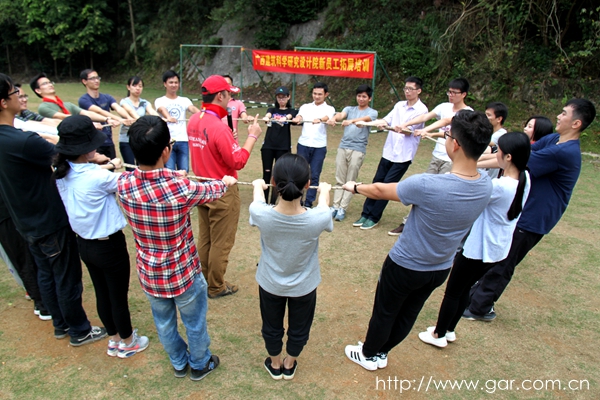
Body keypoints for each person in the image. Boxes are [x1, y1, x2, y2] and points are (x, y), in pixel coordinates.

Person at [342, 110, 493, 371]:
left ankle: (368, 354)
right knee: (409, 313)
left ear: (456, 144)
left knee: (386, 311)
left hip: (405, 265)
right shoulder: (485, 185)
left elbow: (379, 190)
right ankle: (382, 352)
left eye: (447, 135)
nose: (446, 138)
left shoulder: (428, 184)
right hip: (440, 268)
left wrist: (355, 187)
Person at [118, 115, 236, 379]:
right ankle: (200, 363)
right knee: (194, 323)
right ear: (166, 151)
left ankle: (179, 362)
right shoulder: (180, 187)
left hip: (150, 273)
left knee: (164, 324)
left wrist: (174, 174)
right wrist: (226, 182)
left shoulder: (123, 184)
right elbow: (212, 191)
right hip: (183, 273)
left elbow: (154, 180)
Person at [464, 99, 597, 321]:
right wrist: (473, 158)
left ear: (576, 123)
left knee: (504, 262)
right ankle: (474, 297)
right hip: (524, 209)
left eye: (564, 113)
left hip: (535, 217)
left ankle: (480, 308)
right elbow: (512, 153)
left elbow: (514, 161)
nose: (558, 116)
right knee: (498, 256)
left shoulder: (564, 152)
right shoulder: (554, 140)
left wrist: (470, 163)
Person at [0, 73, 106, 346]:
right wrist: (96, 157)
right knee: (66, 276)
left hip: (25, 222)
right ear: (3, 102)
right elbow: (63, 155)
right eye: (14, 92)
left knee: (46, 273)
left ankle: (60, 324)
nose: (19, 96)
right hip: (48, 220)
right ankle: (79, 330)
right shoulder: (22, 142)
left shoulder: (13, 138)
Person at [418, 132, 531, 348]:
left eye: (499, 152)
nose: (495, 155)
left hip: (479, 247)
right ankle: (449, 330)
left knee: (453, 291)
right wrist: (471, 161)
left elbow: (468, 190)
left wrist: (461, 167)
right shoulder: (525, 177)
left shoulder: (499, 186)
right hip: (498, 248)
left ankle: (439, 334)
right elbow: (489, 163)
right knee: (464, 288)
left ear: (508, 157)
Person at [53, 115, 149, 358]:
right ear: (85, 148)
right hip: (108, 246)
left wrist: (103, 163)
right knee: (117, 296)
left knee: (102, 292)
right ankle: (128, 341)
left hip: (85, 244)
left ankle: (115, 339)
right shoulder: (97, 177)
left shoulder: (63, 170)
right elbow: (133, 181)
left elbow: (94, 173)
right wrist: (114, 165)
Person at [250, 154, 333, 380]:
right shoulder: (318, 218)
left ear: (274, 182)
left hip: (270, 284)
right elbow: (324, 207)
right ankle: (289, 363)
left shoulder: (261, 214)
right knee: (300, 327)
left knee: (271, 326)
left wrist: (258, 185)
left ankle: (275, 363)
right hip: (304, 286)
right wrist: (325, 191)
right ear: (308, 185)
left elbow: (258, 200)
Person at [188, 75, 262, 298]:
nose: (231, 98)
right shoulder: (218, 127)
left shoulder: (194, 120)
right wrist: (252, 136)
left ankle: (204, 279)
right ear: (220, 96)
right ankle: (216, 286)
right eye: (229, 94)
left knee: (206, 238)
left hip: (202, 187)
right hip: (222, 190)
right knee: (221, 241)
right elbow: (238, 161)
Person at [387, 78, 472, 235]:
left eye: (455, 93)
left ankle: (431, 225)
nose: (451, 95)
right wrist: (406, 124)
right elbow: (425, 117)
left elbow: (448, 125)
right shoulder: (444, 106)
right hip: (437, 156)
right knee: (423, 189)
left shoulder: (468, 113)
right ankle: (408, 223)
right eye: (449, 92)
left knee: (440, 195)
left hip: (451, 160)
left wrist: (428, 131)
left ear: (464, 94)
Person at [352, 77, 428, 230]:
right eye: (405, 88)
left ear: (419, 91)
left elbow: (409, 132)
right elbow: (386, 120)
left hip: (403, 156)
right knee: (376, 182)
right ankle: (365, 213)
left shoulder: (422, 110)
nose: (407, 91)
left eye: (411, 89)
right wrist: (366, 123)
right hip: (389, 152)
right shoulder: (399, 105)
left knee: (386, 186)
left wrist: (397, 128)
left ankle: (374, 217)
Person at [328, 84, 378, 221]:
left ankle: (342, 208)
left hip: (358, 149)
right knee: (339, 178)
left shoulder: (372, 112)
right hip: (343, 147)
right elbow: (341, 115)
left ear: (369, 98)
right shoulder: (349, 109)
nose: (361, 99)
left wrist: (351, 121)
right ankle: (335, 206)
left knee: (350, 180)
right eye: (359, 96)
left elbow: (366, 119)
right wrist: (334, 118)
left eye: (364, 96)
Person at [30, 73, 119, 142]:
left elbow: (86, 113)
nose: (50, 85)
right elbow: (65, 118)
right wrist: (89, 124)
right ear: (38, 90)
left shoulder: (67, 104)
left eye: (50, 82)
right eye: (45, 83)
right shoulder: (43, 107)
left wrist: (106, 119)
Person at [291, 82, 336, 208]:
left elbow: (328, 117)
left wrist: (320, 120)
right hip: (303, 144)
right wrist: (298, 118)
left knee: (314, 175)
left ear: (326, 94)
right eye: (315, 93)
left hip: (319, 147)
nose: (316, 96)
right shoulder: (305, 107)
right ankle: (298, 199)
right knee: (300, 173)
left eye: (320, 94)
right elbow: (300, 115)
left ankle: (309, 202)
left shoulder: (330, 109)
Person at [78, 69, 133, 158]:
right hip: (93, 143)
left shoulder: (107, 97)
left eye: (97, 78)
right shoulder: (84, 100)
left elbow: (118, 108)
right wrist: (120, 120)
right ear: (84, 81)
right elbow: (100, 111)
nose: (96, 80)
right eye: (92, 78)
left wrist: (128, 118)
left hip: (108, 141)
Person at [155, 70, 200, 172]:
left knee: (184, 170)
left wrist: (203, 115)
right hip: (167, 141)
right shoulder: (160, 100)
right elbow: (162, 109)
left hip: (183, 140)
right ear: (165, 84)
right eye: (171, 82)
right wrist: (169, 117)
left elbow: (192, 108)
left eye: (176, 82)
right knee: (169, 170)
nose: (174, 85)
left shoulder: (184, 100)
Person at [260, 86, 298, 204]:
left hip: (283, 147)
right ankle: (264, 201)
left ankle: (273, 202)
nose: (281, 100)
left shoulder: (292, 111)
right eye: (279, 97)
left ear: (288, 97)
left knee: (279, 175)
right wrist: (267, 118)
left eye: (283, 97)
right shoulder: (272, 110)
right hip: (268, 147)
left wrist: (285, 118)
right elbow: (268, 115)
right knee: (267, 173)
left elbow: (291, 116)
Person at [118, 76, 159, 170]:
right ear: (128, 87)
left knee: (143, 167)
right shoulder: (124, 102)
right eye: (135, 85)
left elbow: (152, 111)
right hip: (126, 140)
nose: (138, 88)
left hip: (141, 140)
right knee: (131, 168)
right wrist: (143, 122)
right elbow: (131, 112)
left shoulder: (144, 103)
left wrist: (160, 119)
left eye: (140, 86)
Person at [484, 101, 508, 179]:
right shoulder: (488, 131)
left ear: (499, 119)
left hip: (490, 177)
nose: (485, 118)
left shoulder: (501, 134)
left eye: (488, 115)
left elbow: (488, 142)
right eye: (485, 114)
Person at [221, 75, 250, 139]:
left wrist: (247, 118)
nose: (226, 87)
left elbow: (244, 117)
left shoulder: (238, 103)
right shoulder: (215, 103)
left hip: (233, 140)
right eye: (224, 84)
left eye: (228, 84)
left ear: (232, 86)